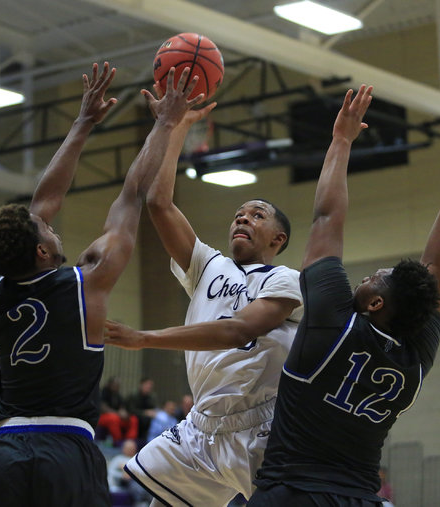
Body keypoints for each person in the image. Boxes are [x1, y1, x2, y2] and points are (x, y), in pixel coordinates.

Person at [247, 85, 440, 506]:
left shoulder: (335, 322)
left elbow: (327, 217)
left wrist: (342, 140)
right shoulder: (414, 359)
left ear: (375, 303)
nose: (365, 277)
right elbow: (435, 271)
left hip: (291, 493)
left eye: (374, 278)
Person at [0, 63, 203, 507]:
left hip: (4, 452)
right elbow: (133, 193)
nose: (53, 230)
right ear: (42, 252)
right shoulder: (87, 281)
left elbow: (43, 205)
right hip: (66, 449)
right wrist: (165, 123)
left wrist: (81, 125)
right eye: (47, 232)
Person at [104, 88, 303, 506]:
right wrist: (176, 127)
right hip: (202, 424)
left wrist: (145, 338)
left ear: (278, 238)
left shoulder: (286, 278)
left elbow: (238, 331)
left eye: (256, 215)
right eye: (238, 215)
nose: (242, 219)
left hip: (262, 425)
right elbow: (159, 202)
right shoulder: (207, 265)